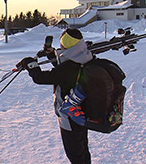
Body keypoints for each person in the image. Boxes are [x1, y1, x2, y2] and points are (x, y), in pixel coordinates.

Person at [17, 28, 93, 164]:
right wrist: (51, 54)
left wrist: (31, 65)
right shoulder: (83, 56)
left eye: (63, 41)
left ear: (68, 43)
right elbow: (63, 71)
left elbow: (42, 78)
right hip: (82, 112)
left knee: (75, 154)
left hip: (69, 116)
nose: (61, 44)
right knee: (82, 149)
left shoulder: (70, 66)